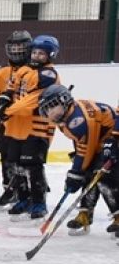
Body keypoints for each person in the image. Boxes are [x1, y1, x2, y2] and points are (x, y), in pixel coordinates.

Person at [35, 85, 119, 235]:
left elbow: (86, 150)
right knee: (87, 174)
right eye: (46, 109)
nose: (50, 113)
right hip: (102, 142)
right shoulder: (67, 115)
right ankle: (85, 213)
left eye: (53, 106)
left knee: (103, 176)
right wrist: (78, 171)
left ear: (65, 100)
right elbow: (83, 144)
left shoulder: (78, 120)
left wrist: (75, 172)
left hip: (113, 142)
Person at [0, 35, 61, 219]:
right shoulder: (23, 70)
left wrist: (7, 111)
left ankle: (39, 202)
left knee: (33, 166)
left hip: (37, 128)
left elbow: (31, 102)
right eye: (35, 52)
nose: (36, 56)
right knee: (16, 165)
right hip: (17, 128)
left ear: (50, 55)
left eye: (41, 54)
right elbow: (11, 88)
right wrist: (2, 101)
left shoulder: (48, 75)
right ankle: (23, 198)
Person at [0, 30, 33, 200]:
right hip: (7, 125)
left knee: (28, 160)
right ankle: (10, 189)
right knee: (7, 157)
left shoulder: (36, 72)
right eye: (13, 47)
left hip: (30, 125)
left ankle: (30, 192)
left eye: (20, 46)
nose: (16, 50)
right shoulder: (1, 73)